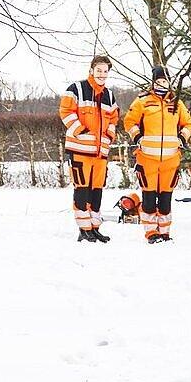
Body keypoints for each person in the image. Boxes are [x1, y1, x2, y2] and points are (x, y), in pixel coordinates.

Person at [122, 65, 191, 243]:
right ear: (153, 82)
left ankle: (164, 232)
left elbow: (188, 124)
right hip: (147, 159)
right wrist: (137, 136)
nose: (162, 83)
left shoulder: (177, 103)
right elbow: (129, 121)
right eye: (159, 80)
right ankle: (151, 232)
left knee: (165, 199)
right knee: (148, 198)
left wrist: (182, 138)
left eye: (165, 80)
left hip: (171, 159)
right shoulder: (142, 101)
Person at [59, 55, 122, 242]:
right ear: (91, 70)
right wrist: (81, 130)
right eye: (99, 70)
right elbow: (65, 111)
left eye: (105, 71)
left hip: (100, 153)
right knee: (82, 190)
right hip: (80, 150)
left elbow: (114, 118)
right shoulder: (76, 89)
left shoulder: (109, 95)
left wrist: (109, 136)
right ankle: (84, 229)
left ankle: (94, 227)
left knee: (96, 191)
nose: (102, 74)